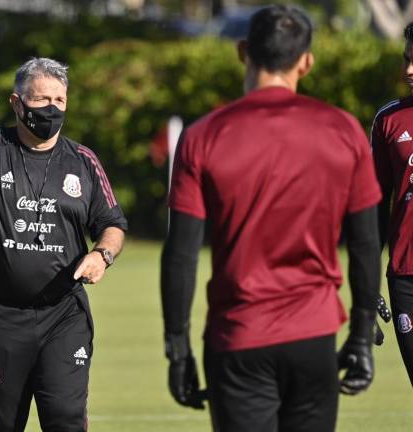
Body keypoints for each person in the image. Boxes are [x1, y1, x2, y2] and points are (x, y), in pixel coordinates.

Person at [161, 5, 381, 432]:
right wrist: (360, 335)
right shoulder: (344, 129)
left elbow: (181, 254)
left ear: (243, 51)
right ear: (307, 61)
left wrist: (177, 348)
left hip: (237, 337)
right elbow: (366, 243)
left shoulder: (202, 136)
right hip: (314, 336)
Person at [0, 3, 127, 430]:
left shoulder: (83, 162)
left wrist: (101, 255)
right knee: (0, 423)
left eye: (59, 100)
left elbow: (112, 224)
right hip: (0, 318)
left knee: (67, 418)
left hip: (63, 315)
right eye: (41, 99)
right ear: (17, 103)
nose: (51, 108)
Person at [371, 21, 413, 387]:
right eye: (407, 59)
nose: (409, 70)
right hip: (405, 276)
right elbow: (374, 209)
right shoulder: (389, 120)